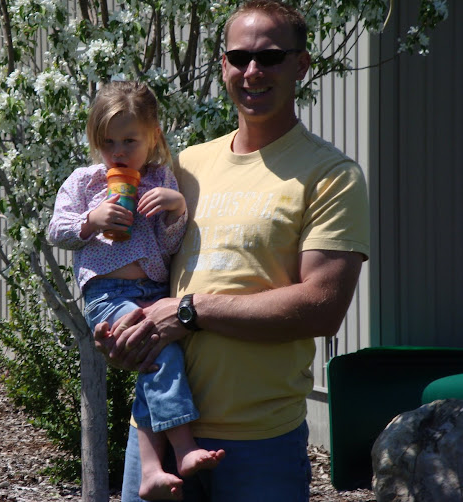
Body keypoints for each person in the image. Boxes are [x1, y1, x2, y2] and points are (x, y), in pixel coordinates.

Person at [94, 2, 371, 501]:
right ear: (222, 64)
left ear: (302, 65)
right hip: (161, 434)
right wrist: (126, 336)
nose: (252, 72)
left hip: (261, 443)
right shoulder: (186, 167)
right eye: (239, 57)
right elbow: (143, 278)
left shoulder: (332, 175)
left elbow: (324, 306)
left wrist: (189, 311)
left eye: (270, 58)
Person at [47, 81, 225, 501]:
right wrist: (91, 220)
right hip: (106, 296)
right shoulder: (85, 182)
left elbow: (169, 246)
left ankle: (150, 471)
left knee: (155, 360)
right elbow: (57, 230)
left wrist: (175, 208)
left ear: (153, 138)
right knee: (160, 352)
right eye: (109, 142)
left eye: (130, 140)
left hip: (153, 292)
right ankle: (182, 449)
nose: (119, 152)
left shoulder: (162, 180)